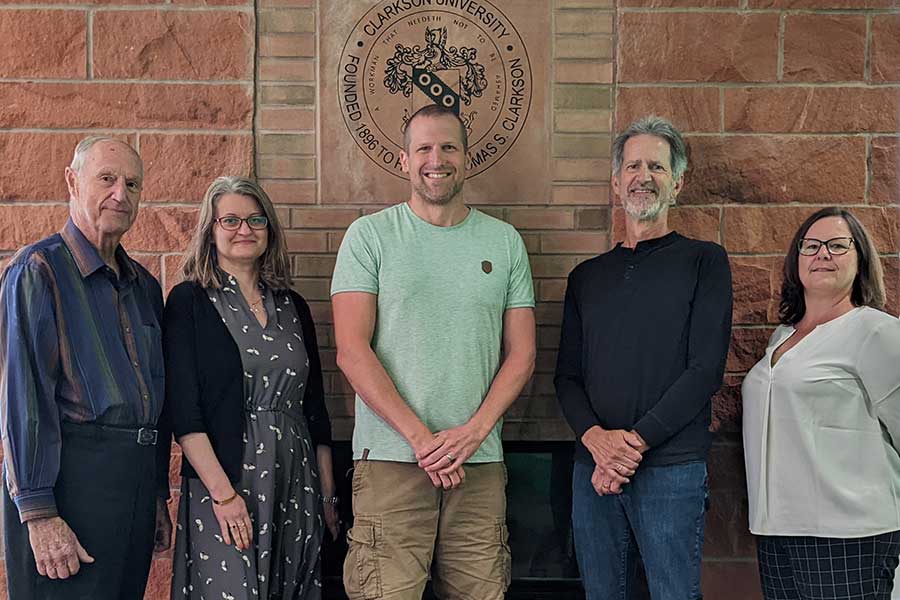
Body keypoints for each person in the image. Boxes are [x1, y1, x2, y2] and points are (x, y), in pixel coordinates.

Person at [331, 103, 536, 600]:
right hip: (391, 463)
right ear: (404, 160)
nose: (435, 158)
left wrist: (472, 433)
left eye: (448, 147)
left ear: (467, 158)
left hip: (479, 465)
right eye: (423, 147)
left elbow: (523, 354)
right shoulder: (370, 237)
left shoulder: (504, 242)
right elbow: (351, 351)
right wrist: (423, 440)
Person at [554, 115, 733, 599]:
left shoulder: (705, 262)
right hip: (591, 470)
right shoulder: (587, 277)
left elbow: (705, 369)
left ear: (677, 181)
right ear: (616, 182)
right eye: (633, 165)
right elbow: (566, 378)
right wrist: (599, 445)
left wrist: (630, 446)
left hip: (671, 468)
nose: (643, 176)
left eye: (656, 165)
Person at [0, 136, 172, 599]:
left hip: (132, 488)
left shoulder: (145, 287)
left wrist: (157, 494)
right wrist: (39, 514)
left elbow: (155, 399)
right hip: (69, 489)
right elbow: (23, 400)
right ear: (72, 182)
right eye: (107, 179)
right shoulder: (38, 271)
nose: (121, 194)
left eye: (132, 184)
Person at [164, 176, 337, 600]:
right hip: (226, 483)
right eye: (231, 220)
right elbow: (184, 412)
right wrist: (224, 497)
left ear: (270, 230)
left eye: (256, 220)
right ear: (211, 230)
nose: (245, 229)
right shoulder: (189, 301)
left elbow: (316, 412)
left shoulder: (292, 305)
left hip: (296, 482)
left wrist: (328, 499)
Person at [742, 207, 900, 600]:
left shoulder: (875, 332)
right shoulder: (781, 338)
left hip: (848, 534)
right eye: (810, 246)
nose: (822, 254)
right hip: (775, 531)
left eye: (837, 245)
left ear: (860, 259)